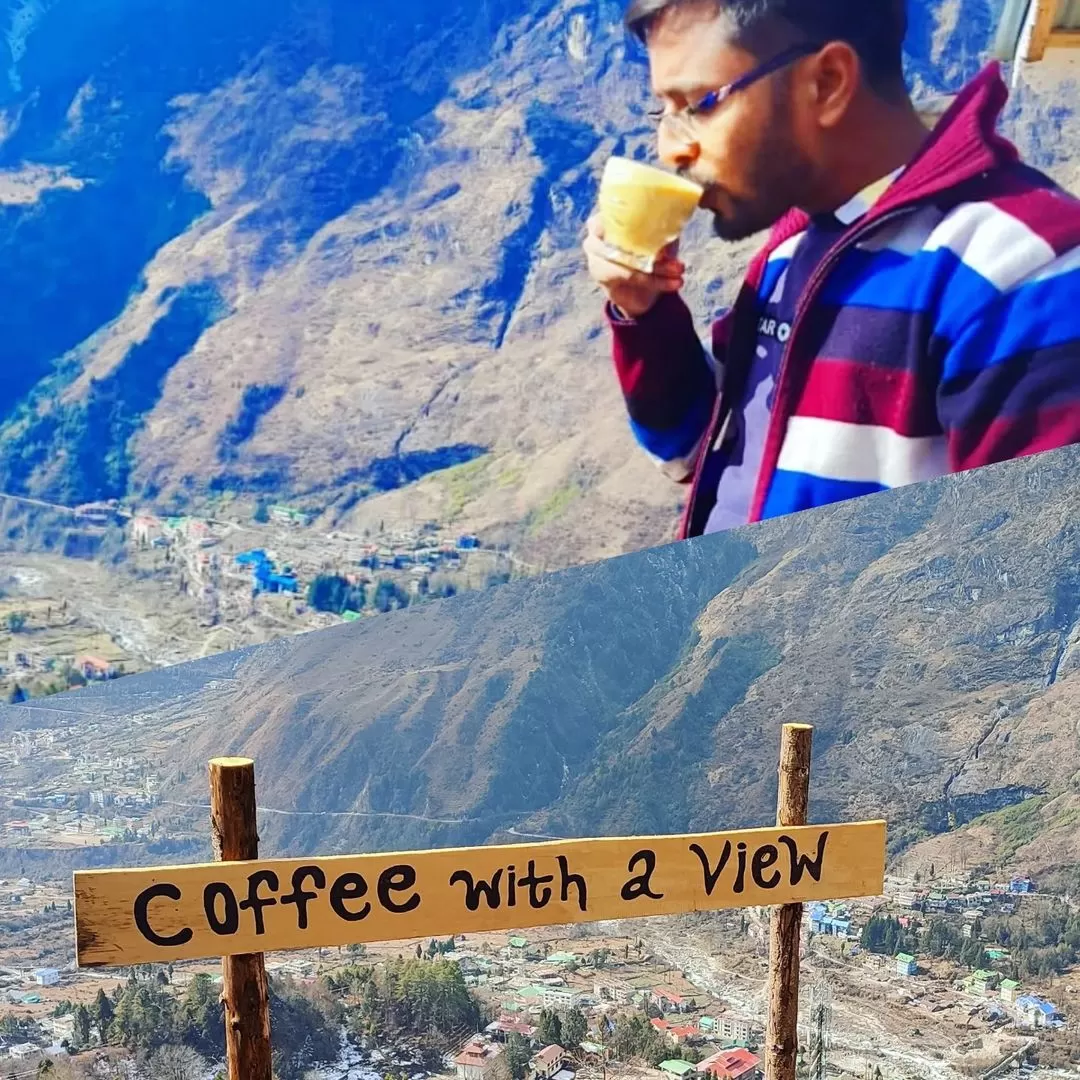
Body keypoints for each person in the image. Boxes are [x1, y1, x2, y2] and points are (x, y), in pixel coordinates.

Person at [583, 0, 1080, 541]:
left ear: (826, 81)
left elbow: (1032, 587)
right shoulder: (792, 249)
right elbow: (693, 451)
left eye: (699, 104)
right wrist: (645, 309)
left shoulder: (1018, 272)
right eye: (663, 112)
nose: (670, 150)